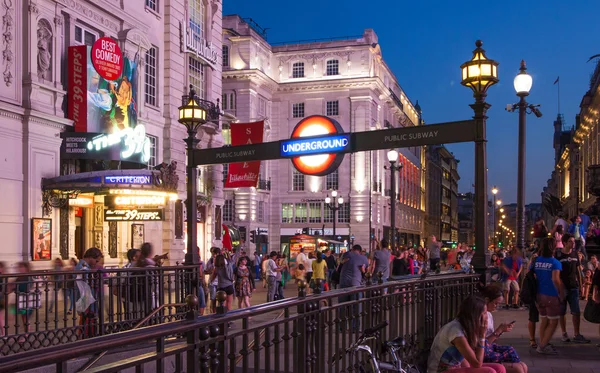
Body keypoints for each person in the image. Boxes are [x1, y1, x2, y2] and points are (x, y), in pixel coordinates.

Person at [427, 295, 506, 373]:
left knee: (500, 368)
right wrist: (482, 335)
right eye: (485, 313)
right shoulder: (456, 332)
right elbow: (477, 363)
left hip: (457, 367)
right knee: (489, 371)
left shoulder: (467, 327)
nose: (487, 317)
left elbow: (471, 358)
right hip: (440, 370)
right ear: (475, 315)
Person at [479, 285, 528, 373]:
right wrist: (498, 331)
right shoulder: (480, 317)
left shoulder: (489, 315)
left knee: (523, 366)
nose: (497, 306)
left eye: (499, 304)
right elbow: (482, 344)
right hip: (481, 352)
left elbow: (492, 341)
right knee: (518, 369)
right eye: (495, 303)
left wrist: (501, 331)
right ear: (486, 300)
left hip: (489, 349)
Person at [555, 233, 590, 343]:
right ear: (565, 243)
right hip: (562, 287)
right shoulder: (559, 255)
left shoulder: (575, 254)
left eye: (574, 241)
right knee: (562, 311)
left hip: (573, 286)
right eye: (571, 241)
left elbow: (578, 270)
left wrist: (581, 284)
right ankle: (564, 333)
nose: (573, 243)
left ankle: (577, 333)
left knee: (576, 311)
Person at [532, 237, 562, 355]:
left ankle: (542, 342)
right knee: (554, 322)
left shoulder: (536, 260)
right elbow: (556, 279)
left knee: (544, 319)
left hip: (538, 294)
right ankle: (543, 346)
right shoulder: (555, 263)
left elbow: (531, 275)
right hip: (551, 294)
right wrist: (561, 292)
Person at [339, 244, 369, 331]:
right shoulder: (363, 258)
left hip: (343, 283)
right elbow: (365, 270)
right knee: (356, 307)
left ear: (352, 249)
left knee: (343, 306)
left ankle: (342, 327)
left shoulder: (347, 254)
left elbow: (340, 262)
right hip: (355, 284)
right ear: (359, 251)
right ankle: (354, 327)